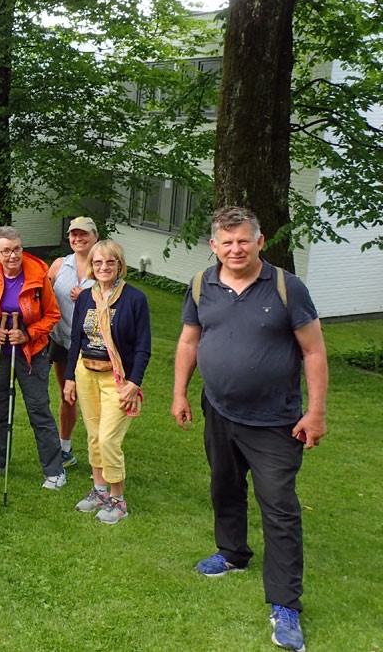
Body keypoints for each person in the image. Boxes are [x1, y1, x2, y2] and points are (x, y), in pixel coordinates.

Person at [172, 206, 327, 652]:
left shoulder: (286, 287)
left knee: (278, 507)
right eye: (227, 241)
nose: (235, 249)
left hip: (275, 421)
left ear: (260, 242)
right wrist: (180, 393)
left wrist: (315, 414)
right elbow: (188, 340)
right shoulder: (203, 284)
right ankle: (232, 553)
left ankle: (285, 604)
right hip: (218, 411)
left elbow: (314, 352)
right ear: (214, 246)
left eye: (244, 240)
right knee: (224, 487)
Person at [62, 240, 150, 524]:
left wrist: (133, 383)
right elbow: (76, 338)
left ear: (119, 265)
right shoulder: (86, 297)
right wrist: (69, 379)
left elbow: (143, 345)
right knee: (94, 436)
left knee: (109, 438)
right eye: (98, 262)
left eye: (109, 262)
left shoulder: (135, 299)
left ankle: (117, 499)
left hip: (118, 379)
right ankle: (99, 491)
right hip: (86, 372)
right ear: (91, 266)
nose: (103, 267)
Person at [0, 226, 64, 489]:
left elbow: (52, 314)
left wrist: (28, 334)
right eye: (6, 251)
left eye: (17, 249)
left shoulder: (39, 276)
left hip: (31, 352)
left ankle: (54, 470)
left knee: (38, 408)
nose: (13, 256)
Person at [48, 216, 99, 468]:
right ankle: (64, 448)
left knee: (90, 397)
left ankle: (100, 450)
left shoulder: (103, 266)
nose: (78, 239)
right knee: (67, 395)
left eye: (84, 234)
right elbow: (44, 296)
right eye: (73, 234)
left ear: (95, 237)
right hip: (60, 339)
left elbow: (115, 305)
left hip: (91, 344)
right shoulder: (59, 265)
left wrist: (88, 297)